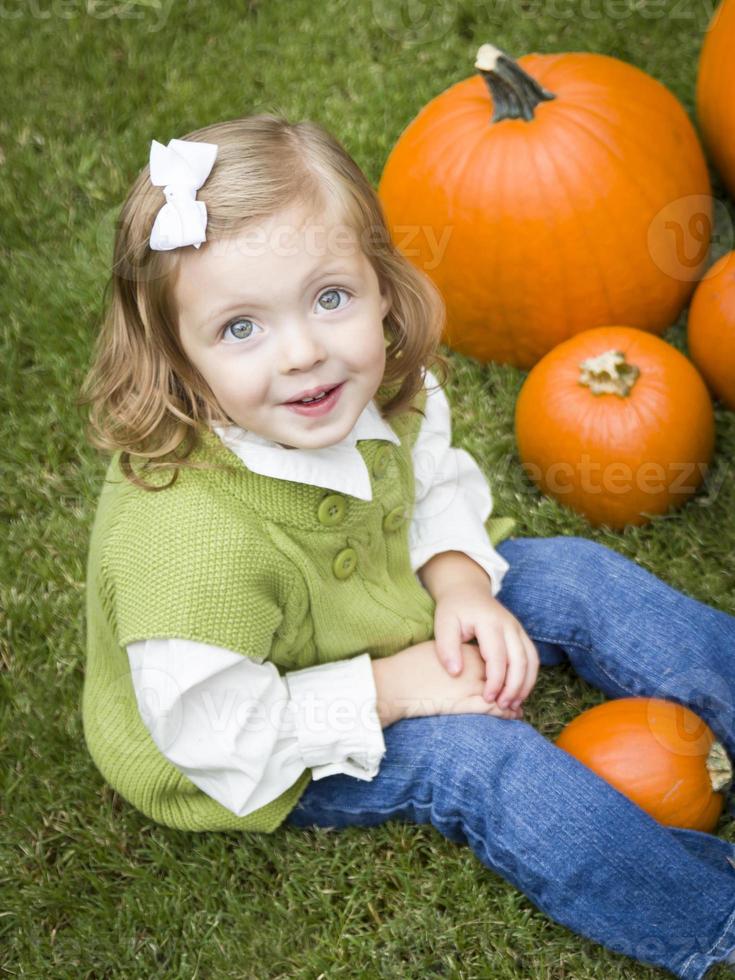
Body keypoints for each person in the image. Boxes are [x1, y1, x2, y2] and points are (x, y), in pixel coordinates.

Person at [78, 114, 735, 979]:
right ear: (174, 357)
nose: (305, 353)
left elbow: (429, 470)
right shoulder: (186, 540)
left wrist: (458, 581)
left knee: (570, 576)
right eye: (241, 328)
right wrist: (393, 686)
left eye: (329, 297)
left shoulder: (372, 377)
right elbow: (217, 732)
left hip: (394, 595)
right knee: (479, 759)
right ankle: (707, 919)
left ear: (380, 284)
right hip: (268, 728)